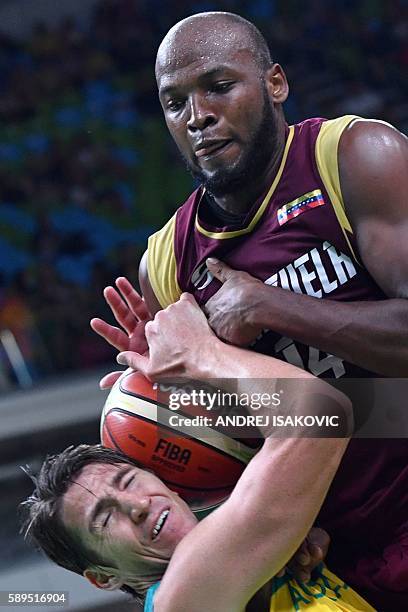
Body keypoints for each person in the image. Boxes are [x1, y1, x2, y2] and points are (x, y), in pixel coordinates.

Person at [91, 12, 408, 610]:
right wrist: (163, 393)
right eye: (174, 102)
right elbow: (239, 437)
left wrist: (272, 307)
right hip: (335, 563)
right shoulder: (166, 263)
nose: (197, 115)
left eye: (218, 85)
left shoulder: (355, 157)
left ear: (276, 84)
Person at [24, 295, 374, 611]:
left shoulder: (261, 552)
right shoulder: (181, 597)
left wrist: (185, 391)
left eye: (129, 481)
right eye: (104, 519)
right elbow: (321, 413)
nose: (137, 505)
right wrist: (201, 356)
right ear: (104, 577)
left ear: (172, 484)